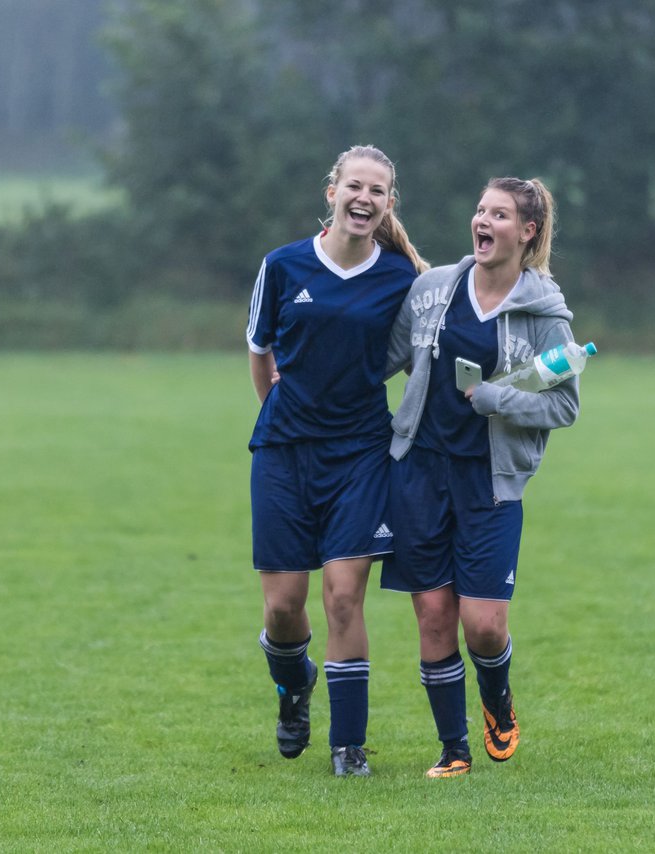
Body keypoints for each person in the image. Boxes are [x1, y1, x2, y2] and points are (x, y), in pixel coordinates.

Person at [383, 176, 581, 777]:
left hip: (490, 483)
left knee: (484, 624)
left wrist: (498, 399)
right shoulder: (433, 289)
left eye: (498, 214)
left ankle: (498, 700)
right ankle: (453, 749)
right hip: (419, 472)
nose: (483, 221)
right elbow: (382, 358)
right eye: (479, 210)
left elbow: (564, 406)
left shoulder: (546, 313)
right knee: (434, 614)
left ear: (527, 232)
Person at [246, 145, 427, 777]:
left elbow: (431, 339)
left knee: (344, 598)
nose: (364, 199)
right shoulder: (281, 265)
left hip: (360, 456)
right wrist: (286, 418)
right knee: (282, 608)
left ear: (388, 205)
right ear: (332, 192)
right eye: (355, 186)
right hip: (284, 455)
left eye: (377, 192)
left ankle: (349, 746)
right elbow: (260, 353)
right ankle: (294, 687)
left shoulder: (402, 276)